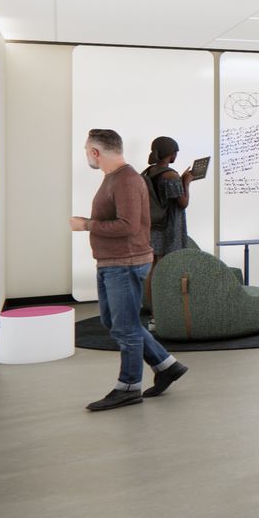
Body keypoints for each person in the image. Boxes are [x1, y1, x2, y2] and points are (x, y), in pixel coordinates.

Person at [72, 128, 189, 411]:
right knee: (115, 322)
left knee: (124, 327)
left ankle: (128, 387)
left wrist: (86, 224)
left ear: (96, 152)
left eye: (88, 150)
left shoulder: (125, 180)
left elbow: (128, 226)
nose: (87, 155)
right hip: (113, 262)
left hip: (124, 263)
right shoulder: (116, 178)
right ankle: (166, 365)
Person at [141, 135, 193, 262]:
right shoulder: (171, 176)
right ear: (171, 154)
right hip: (169, 226)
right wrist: (186, 182)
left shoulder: (150, 171)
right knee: (165, 266)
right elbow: (183, 203)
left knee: (152, 264)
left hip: (154, 225)